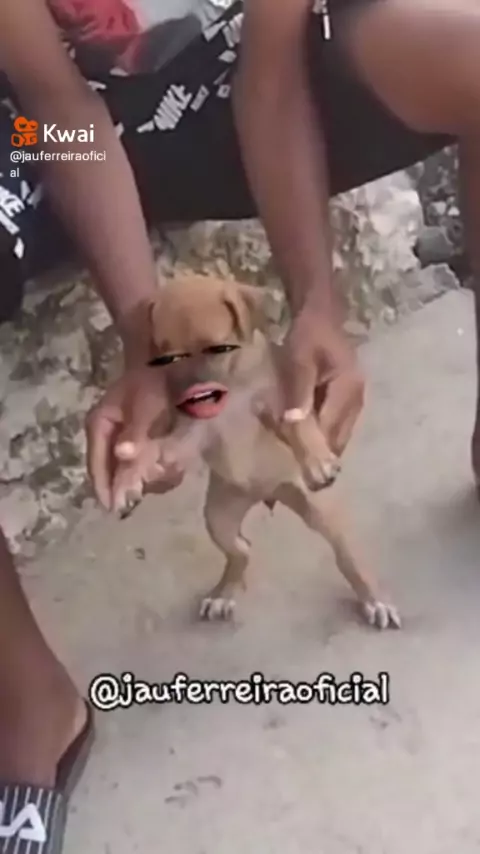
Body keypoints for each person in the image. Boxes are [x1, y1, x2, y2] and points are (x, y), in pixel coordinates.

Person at [0, 0, 479, 849]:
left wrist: (317, 302)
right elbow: (54, 111)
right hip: (43, 133)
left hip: (189, 81)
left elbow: (270, 69)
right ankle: (29, 703)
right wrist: (148, 341)